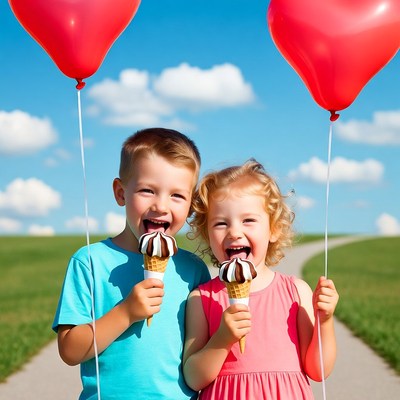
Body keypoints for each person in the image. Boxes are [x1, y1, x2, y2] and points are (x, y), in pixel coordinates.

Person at [52, 128, 211, 400]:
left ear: (191, 204)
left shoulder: (193, 270)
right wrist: (126, 312)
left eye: (177, 195)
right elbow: (69, 351)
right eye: (147, 190)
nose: (161, 205)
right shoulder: (90, 261)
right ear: (120, 192)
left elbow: (200, 355)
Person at [183, 159, 339, 399]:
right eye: (221, 223)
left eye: (248, 220)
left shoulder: (296, 291)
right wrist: (222, 339)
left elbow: (318, 370)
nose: (234, 232)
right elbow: (193, 378)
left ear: (274, 229)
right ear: (207, 234)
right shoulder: (202, 299)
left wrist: (325, 321)